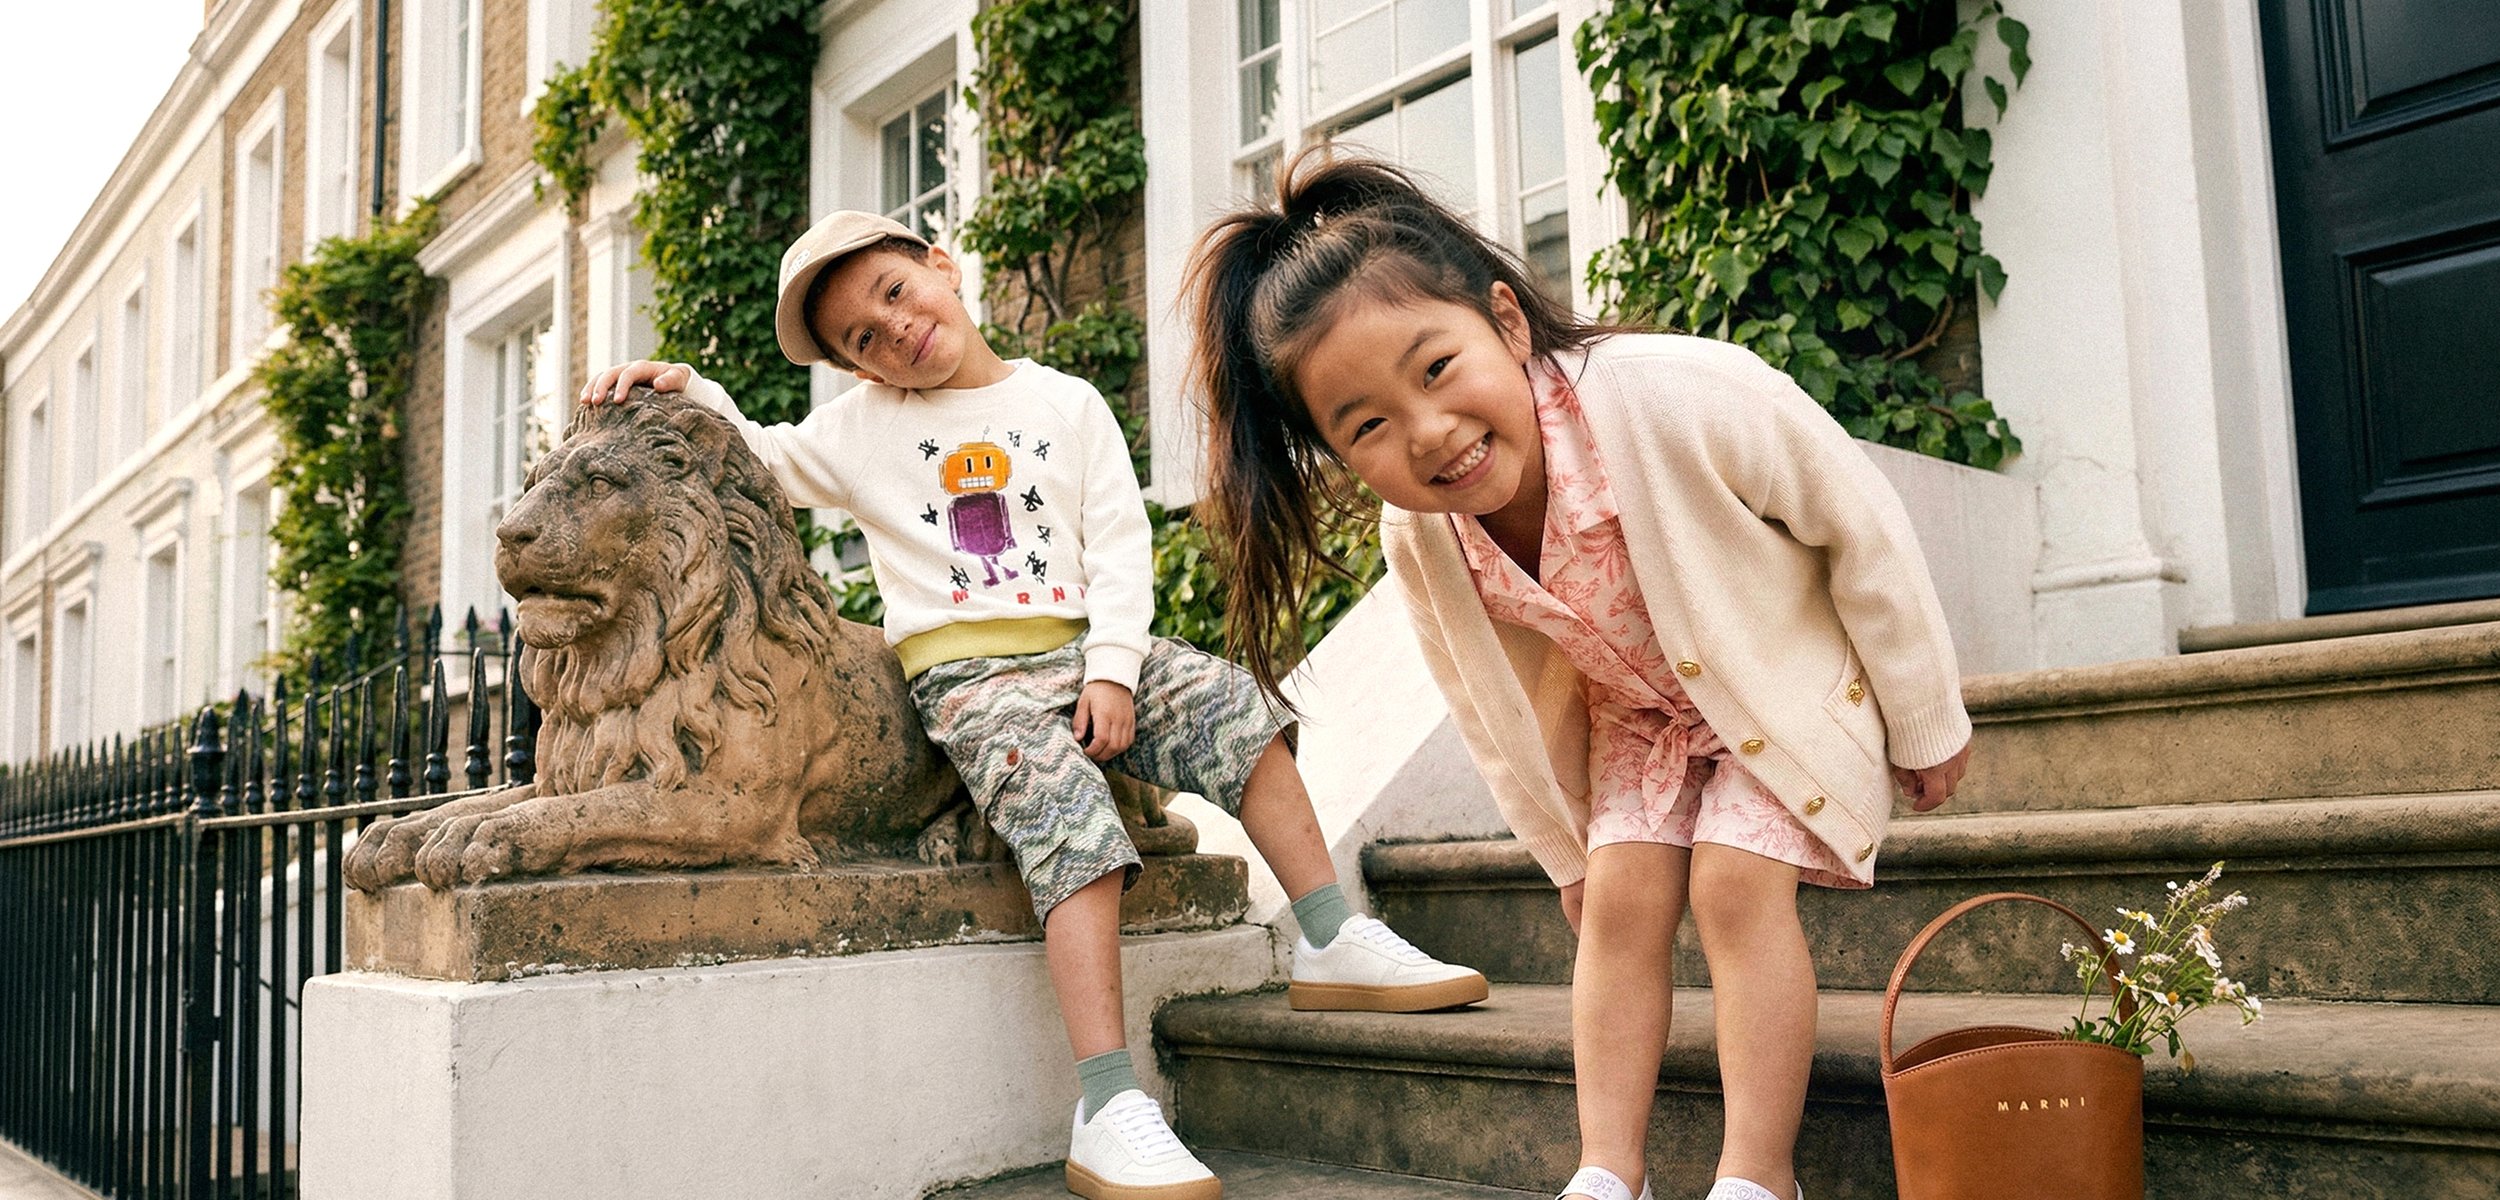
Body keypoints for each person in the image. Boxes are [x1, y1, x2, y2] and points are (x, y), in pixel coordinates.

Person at [581, 209, 1486, 1200]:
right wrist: (691, 390)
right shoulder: (860, 430)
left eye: (895, 293)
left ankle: (1329, 934)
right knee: (1068, 816)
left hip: (1086, 652)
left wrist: (1114, 670)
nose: (894, 331)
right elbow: (760, 461)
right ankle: (1108, 1104)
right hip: (971, 679)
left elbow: (1119, 543)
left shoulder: (1065, 402)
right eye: (862, 340)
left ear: (942, 266)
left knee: (1235, 707)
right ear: (854, 370)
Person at [1185, 152, 1973, 1200]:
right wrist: (1564, 852)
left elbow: (1859, 522)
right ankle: (1608, 1173)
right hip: (1641, 722)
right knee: (1617, 905)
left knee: (1733, 885)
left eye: (1437, 368)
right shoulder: (1420, 538)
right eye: (1366, 424)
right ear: (1335, 453)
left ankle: (1758, 1177)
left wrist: (1925, 717)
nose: (1429, 432)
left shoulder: (1676, 394)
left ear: (1506, 323)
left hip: (1784, 686)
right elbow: (1483, 707)